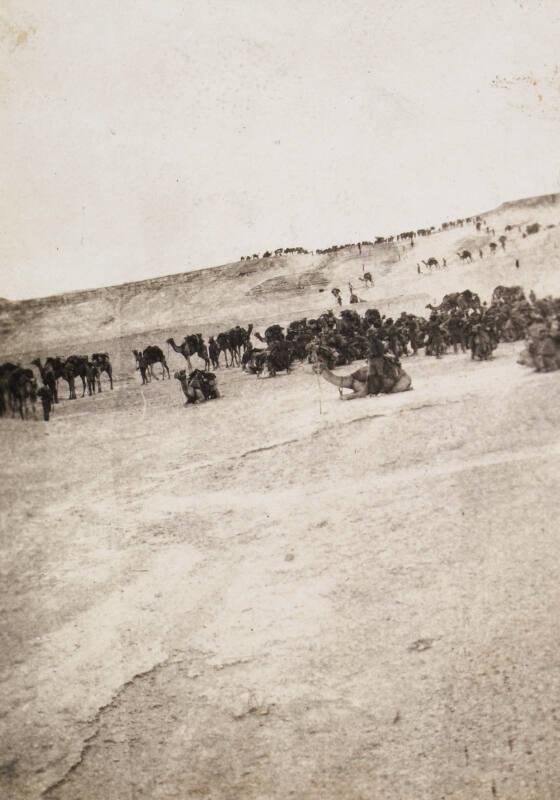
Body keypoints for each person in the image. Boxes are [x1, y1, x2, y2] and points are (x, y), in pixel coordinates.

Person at [366, 325, 385, 394]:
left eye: (371, 336)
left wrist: (373, 355)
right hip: (372, 360)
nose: (370, 337)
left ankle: (382, 389)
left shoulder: (379, 343)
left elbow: (381, 353)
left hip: (378, 359)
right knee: (370, 375)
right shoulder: (371, 343)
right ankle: (372, 390)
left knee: (380, 374)